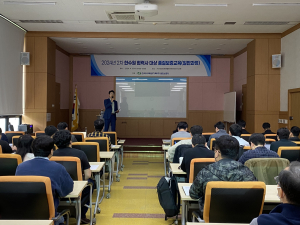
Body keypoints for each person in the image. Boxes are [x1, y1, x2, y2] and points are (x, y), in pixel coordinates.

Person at [189, 135, 257, 213]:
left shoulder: (206, 172)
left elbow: (193, 194)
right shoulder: (247, 172)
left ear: (217, 152)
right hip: (242, 217)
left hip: (212, 217)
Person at [15, 136, 73, 225]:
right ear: (51, 151)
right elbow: (67, 189)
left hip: (22, 215)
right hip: (49, 217)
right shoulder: (57, 168)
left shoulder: (20, 167)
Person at [53, 130, 93, 224]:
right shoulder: (80, 153)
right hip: (75, 185)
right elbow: (87, 175)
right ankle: (80, 214)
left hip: (56, 187)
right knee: (91, 184)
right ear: (70, 141)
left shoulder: (51, 154)